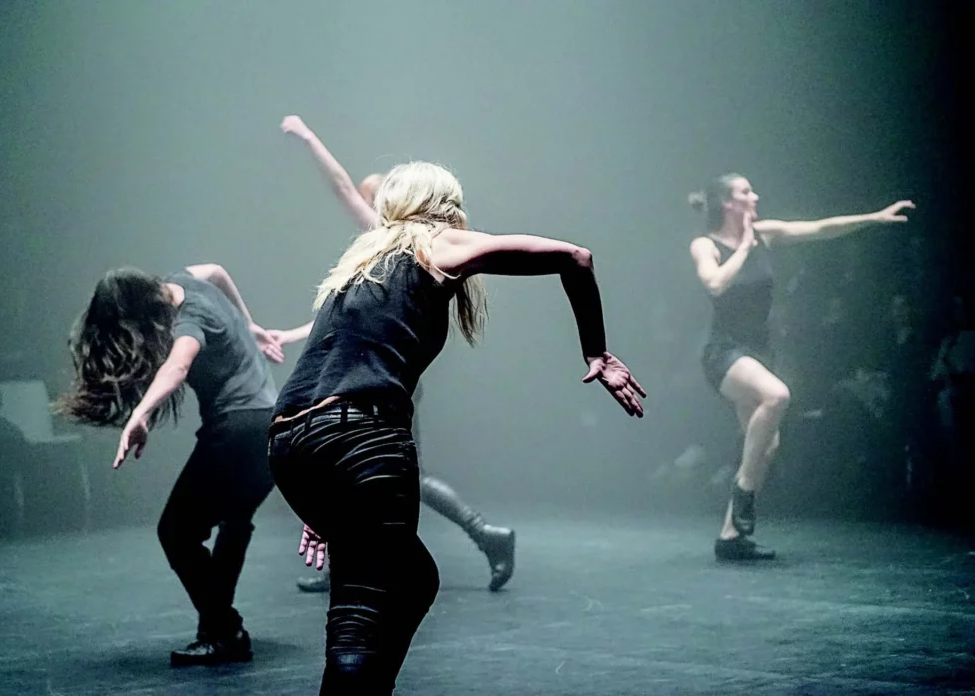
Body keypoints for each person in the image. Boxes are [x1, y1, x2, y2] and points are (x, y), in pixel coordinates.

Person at [267, 160, 646, 694]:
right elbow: (575, 257)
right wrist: (597, 352)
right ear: (445, 204)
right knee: (360, 617)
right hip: (358, 437)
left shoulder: (357, 266)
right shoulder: (434, 244)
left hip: (291, 443)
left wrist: (328, 492)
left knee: (415, 579)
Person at [281, 115, 515, 593]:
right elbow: (349, 320)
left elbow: (341, 186)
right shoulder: (382, 251)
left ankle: (483, 534)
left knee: (400, 469)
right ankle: (476, 536)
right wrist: (289, 336)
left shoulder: (400, 240)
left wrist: (309, 138)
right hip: (370, 372)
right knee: (380, 466)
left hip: (377, 379)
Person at [58, 264, 311, 665]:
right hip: (272, 423)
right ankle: (221, 631)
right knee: (235, 519)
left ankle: (224, 630)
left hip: (240, 428)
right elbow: (216, 270)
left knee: (176, 533)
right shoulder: (183, 280)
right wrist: (249, 325)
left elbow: (177, 366)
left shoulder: (189, 320)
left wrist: (140, 413)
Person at [688, 173, 913, 561]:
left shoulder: (767, 233)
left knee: (766, 448)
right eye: (745, 192)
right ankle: (742, 492)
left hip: (759, 353)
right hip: (724, 353)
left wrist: (875, 217)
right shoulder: (705, 245)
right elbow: (714, 285)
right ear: (728, 203)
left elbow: (822, 228)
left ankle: (730, 537)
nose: (754, 195)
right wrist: (741, 248)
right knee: (777, 395)